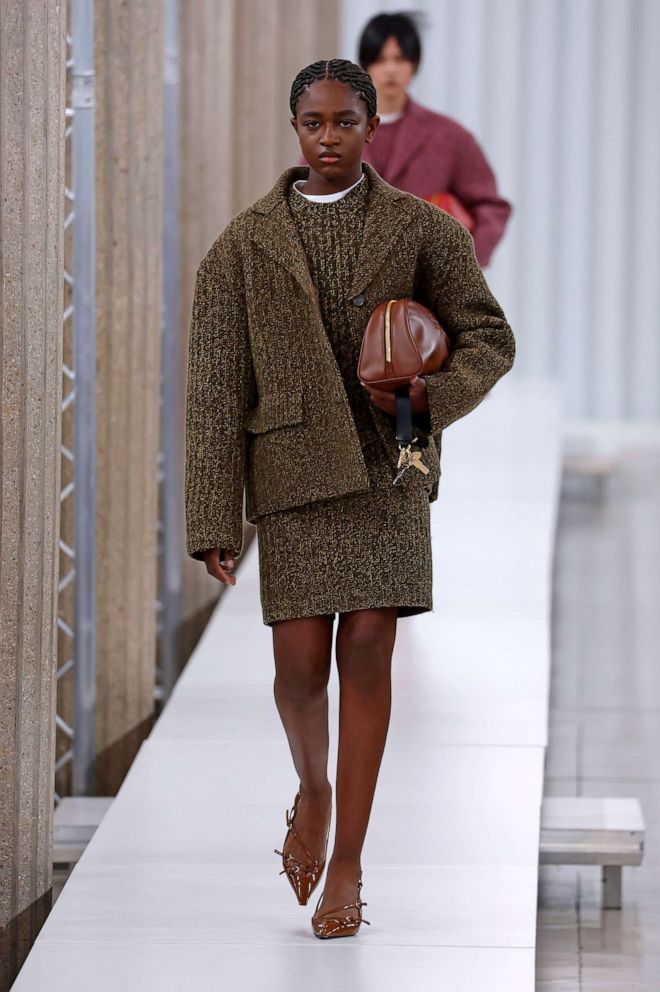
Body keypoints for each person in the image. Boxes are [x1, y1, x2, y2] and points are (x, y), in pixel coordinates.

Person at [185, 58, 515, 940]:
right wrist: (213, 515)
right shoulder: (244, 243)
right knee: (298, 666)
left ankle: (350, 865)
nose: (327, 137)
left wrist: (429, 400)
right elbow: (216, 386)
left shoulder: (419, 228)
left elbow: (489, 336)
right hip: (292, 473)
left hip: (388, 466)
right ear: (295, 128)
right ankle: (314, 786)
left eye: (343, 121)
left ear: (373, 126)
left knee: (368, 648)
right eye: (312, 122)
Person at [358, 11, 512, 267]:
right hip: (353, 287)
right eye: (380, 59)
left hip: (427, 289)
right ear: (365, 65)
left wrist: (464, 265)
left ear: (415, 64)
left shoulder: (448, 137)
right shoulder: (337, 132)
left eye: (400, 59)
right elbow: (305, 200)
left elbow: (491, 208)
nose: (391, 70)